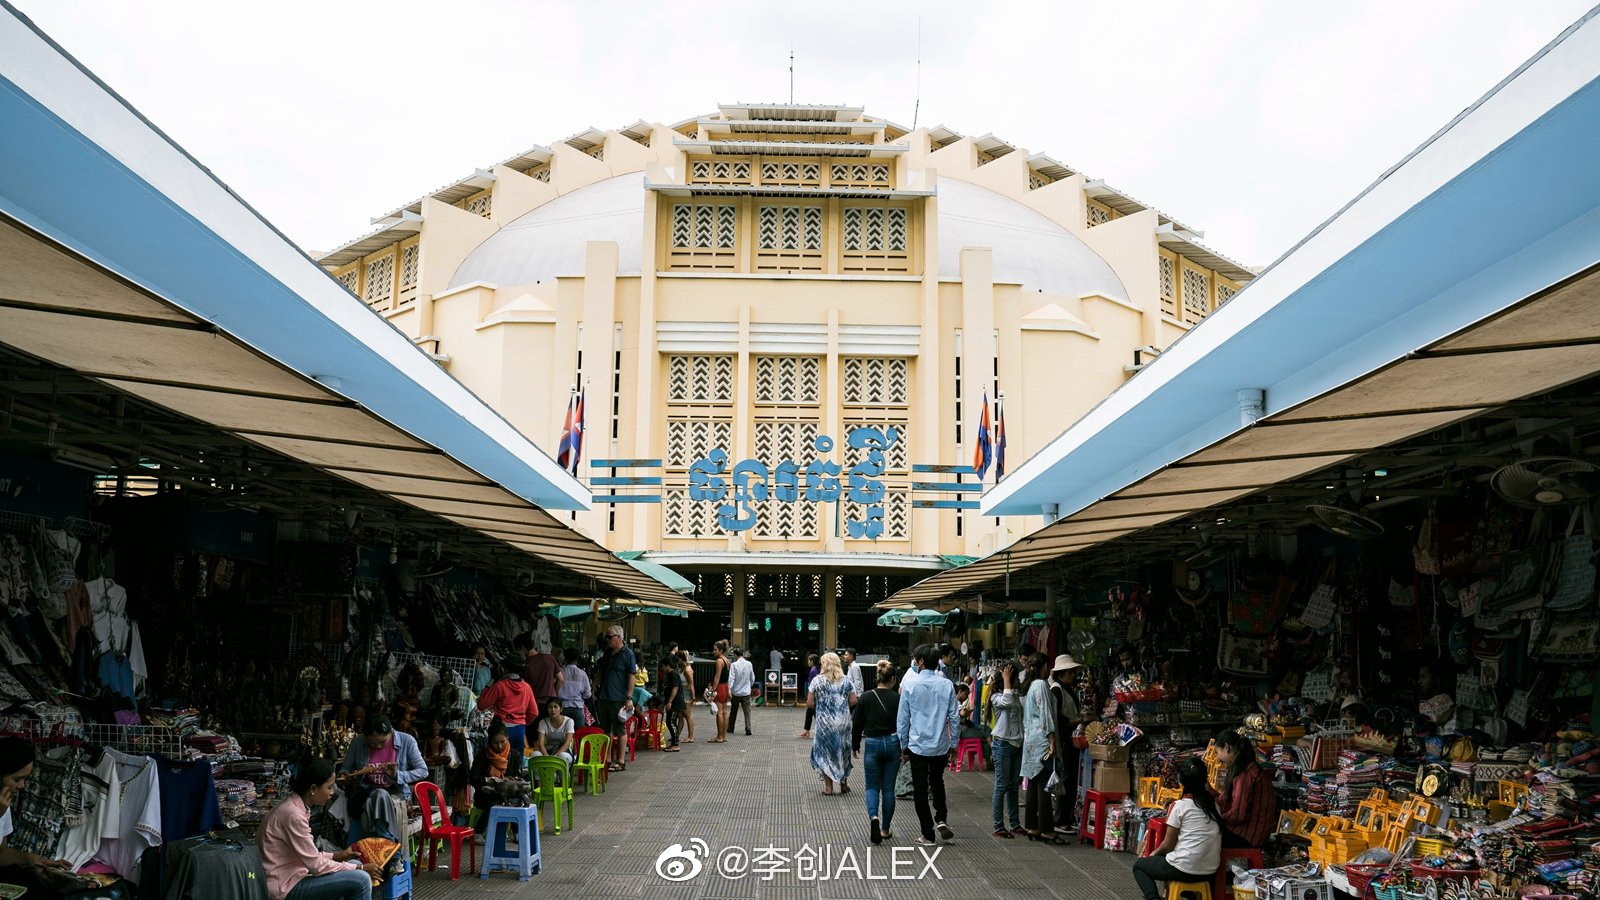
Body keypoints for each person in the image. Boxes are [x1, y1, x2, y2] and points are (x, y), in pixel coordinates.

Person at [260, 757, 383, 900]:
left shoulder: (295, 807)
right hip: (284, 887)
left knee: (355, 864)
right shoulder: (293, 815)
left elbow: (309, 855)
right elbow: (315, 865)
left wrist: (338, 856)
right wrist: (360, 869)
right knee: (361, 879)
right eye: (329, 787)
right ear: (313, 789)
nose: (332, 793)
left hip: (293, 876)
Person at [1132, 758, 1222, 900]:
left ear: (1181, 781)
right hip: (1210, 870)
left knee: (1139, 866)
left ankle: (1153, 898)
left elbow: (1167, 846)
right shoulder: (1214, 806)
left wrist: (1154, 853)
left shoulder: (1181, 806)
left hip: (1184, 869)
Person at [897, 644, 958, 847]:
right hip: (940, 744)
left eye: (916, 659)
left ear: (922, 661)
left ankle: (927, 834)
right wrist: (954, 743)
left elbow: (903, 719)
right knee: (938, 781)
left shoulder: (910, 685)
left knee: (920, 789)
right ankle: (941, 818)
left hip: (917, 745)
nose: (914, 662)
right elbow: (954, 717)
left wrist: (903, 745)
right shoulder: (947, 684)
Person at [0, 737, 74, 895]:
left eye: (25, 779)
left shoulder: (4, 804)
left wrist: (32, 859)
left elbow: (1, 853)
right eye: (17, 779)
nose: (22, 786)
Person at [338, 715, 428, 843]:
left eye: (382, 742)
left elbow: (423, 771)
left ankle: (384, 845)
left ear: (390, 731)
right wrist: (345, 777)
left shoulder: (407, 741)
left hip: (396, 792)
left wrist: (398, 776)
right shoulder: (358, 742)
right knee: (378, 795)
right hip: (365, 792)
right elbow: (345, 769)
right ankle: (390, 848)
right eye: (372, 743)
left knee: (380, 795)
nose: (378, 747)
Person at [852, 659, 900, 844]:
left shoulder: (866, 697)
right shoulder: (898, 698)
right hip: (893, 742)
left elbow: (857, 724)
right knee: (888, 789)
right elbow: (904, 724)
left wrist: (855, 745)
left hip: (872, 743)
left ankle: (874, 817)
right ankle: (885, 829)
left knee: (872, 786)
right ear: (893, 679)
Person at [1021, 653, 1062, 843]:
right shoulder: (1042, 685)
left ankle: (1032, 826)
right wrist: (1052, 741)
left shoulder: (1030, 686)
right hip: (1042, 740)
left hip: (1030, 740)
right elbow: (1046, 715)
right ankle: (1047, 829)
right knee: (1044, 786)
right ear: (1044, 666)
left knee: (1034, 784)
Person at [1214, 729, 1278, 848]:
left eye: (1217, 752)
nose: (1218, 758)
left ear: (1227, 747)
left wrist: (1215, 820)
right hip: (1247, 832)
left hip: (1249, 836)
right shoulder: (1243, 768)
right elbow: (1223, 800)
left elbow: (1237, 814)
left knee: (1206, 838)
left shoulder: (1245, 773)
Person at [809, 651, 858, 795]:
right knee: (842, 751)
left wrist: (822, 706)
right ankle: (843, 785)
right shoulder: (846, 680)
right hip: (843, 722)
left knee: (825, 753)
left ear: (824, 664)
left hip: (825, 724)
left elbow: (810, 703)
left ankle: (828, 788)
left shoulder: (817, 681)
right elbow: (854, 700)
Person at [475, 662, 536, 778]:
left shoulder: (500, 685)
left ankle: (496, 788)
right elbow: (534, 712)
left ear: (505, 669)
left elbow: (482, 705)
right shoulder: (526, 687)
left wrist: (489, 685)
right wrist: (522, 723)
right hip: (519, 730)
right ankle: (514, 791)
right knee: (516, 764)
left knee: (496, 761)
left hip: (500, 730)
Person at [989, 658, 1025, 838]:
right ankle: (998, 826)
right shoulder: (996, 697)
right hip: (1002, 745)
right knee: (1001, 786)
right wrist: (1006, 679)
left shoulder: (1016, 695)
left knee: (1013, 787)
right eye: (1015, 678)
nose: (1018, 680)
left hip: (1016, 744)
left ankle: (1015, 823)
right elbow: (1007, 701)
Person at [1050, 654, 1086, 835]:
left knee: (1070, 779)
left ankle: (1066, 817)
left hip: (1069, 739)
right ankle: (1060, 819)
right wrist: (1077, 720)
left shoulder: (1065, 688)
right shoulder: (1057, 690)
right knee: (1065, 778)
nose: (1073, 675)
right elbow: (1057, 718)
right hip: (1064, 740)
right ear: (1063, 673)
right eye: (1071, 672)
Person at [595, 624, 637, 771]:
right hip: (604, 697)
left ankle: (620, 761)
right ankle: (607, 759)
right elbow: (601, 671)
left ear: (618, 637)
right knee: (605, 729)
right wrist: (595, 686)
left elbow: (631, 677)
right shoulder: (608, 653)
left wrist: (629, 697)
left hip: (618, 698)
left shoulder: (628, 654)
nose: (607, 639)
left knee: (620, 730)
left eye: (609, 637)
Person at [469, 721, 515, 836]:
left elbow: (517, 776)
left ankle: (517, 833)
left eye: (502, 742)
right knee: (496, 800)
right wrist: (487, 780)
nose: (499, 746)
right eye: (495, 743)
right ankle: (478, 832)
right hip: (485, 794)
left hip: (508, 793)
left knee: (516, 800)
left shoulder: (514, 755)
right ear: (489, 741)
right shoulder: (483, 755)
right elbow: (473, 778)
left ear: (507, 739)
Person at [521, 635, 563, 727]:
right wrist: (553, 694)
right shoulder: (549, 658)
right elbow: (561, 679)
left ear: (523, 648)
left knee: (535, 735)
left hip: (534, 705)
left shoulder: (526, 664)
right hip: (551, 705)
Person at [531, 698, 576, 765]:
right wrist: (546, 756)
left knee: (562, 756)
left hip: (564, 752)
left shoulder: (569, 721)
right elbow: (540, 743)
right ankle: (540, 775)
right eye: (550, 707)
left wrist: (555, 757)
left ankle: (562, 775)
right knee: (535, 755)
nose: (553, 710)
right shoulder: (543, 722)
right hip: (547, 752)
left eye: (555, 707)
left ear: (561, 708)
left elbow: (567, 744)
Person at [558, 647, 591, 725]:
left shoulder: (560, 672)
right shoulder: (582, 674)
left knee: (563, 734)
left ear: (565, 658)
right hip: (578, 708)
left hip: (562, 707)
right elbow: (587, 694)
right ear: (577, 659)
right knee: (579, 735)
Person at [728, 647, 756, 736]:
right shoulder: (749, 664)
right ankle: (748, 728)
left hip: (736, 692)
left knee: (733, 711)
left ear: (735, 655)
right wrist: (749, 686)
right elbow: (752, 677)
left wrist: (729, 689)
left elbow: (731, 678)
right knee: (747, 711)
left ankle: (731, 728)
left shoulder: (734, 665)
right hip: (746, 692)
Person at [663, 655, 687, 751]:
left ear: (667, 665)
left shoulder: (673, 674)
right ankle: (674, 742)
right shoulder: (672, 674)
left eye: (663, 666)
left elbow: (675, 688)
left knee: (671, 722)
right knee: (671, 722)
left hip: (675, 702)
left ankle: (675, 744)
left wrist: (669, 701)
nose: (662, 669)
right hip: (674, 701)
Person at [710, 640, 731, 743]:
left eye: (715, 650)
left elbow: (717, 676)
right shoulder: (726, 660)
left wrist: (713, 690)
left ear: (721, 650)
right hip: (726, 687)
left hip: (720, 687)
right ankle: (723, 736)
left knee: (719, 713)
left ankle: (720, 736)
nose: (713, 652)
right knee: (724, 712)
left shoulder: (719, 661)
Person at [677, 649, 697, 742]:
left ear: (681, 658)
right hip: (682, 693)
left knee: (688, 716)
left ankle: (691, 737)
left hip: (686, 694)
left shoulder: (687, 669)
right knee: (681, 715)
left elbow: (691, 684)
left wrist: (693, 697)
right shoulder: (682, 668)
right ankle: (677, 735)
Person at [799, 653, 821, 738]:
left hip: (814, 695)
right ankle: (807, 731)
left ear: (812, 661)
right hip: (815, 695)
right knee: (810, 713)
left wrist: (809, 696)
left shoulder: (813, 670)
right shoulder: (816, 669)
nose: (808, 662)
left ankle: (808, 731)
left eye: (809, 660)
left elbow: (812, 685)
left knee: (813, 713)